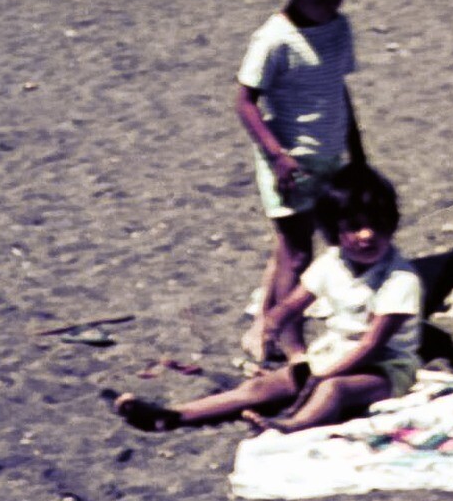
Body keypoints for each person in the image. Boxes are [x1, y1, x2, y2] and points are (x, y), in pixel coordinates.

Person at [111, 164, 421, 433]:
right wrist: (272, 322)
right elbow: (295, 302)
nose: (367, 235)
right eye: (354, 227)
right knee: (264, 386)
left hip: (386, 369)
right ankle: (176, 414)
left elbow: (371, 345)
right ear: (334, 232)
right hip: (336, 353)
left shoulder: (400, 279)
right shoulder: (332, 263)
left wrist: (326, 372)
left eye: (377, 225)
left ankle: (293, 426)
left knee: (332, 389)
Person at [236, 0, 371, 367]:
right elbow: (244, 100)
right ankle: (289, 342)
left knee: (334, 238)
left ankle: (285, 325)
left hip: (331, 151)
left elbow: (338, 89)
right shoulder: (274, 38)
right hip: (289, 158)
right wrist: (277, 155)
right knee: (296, 252)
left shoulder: (339, 28)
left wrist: (357, 149)